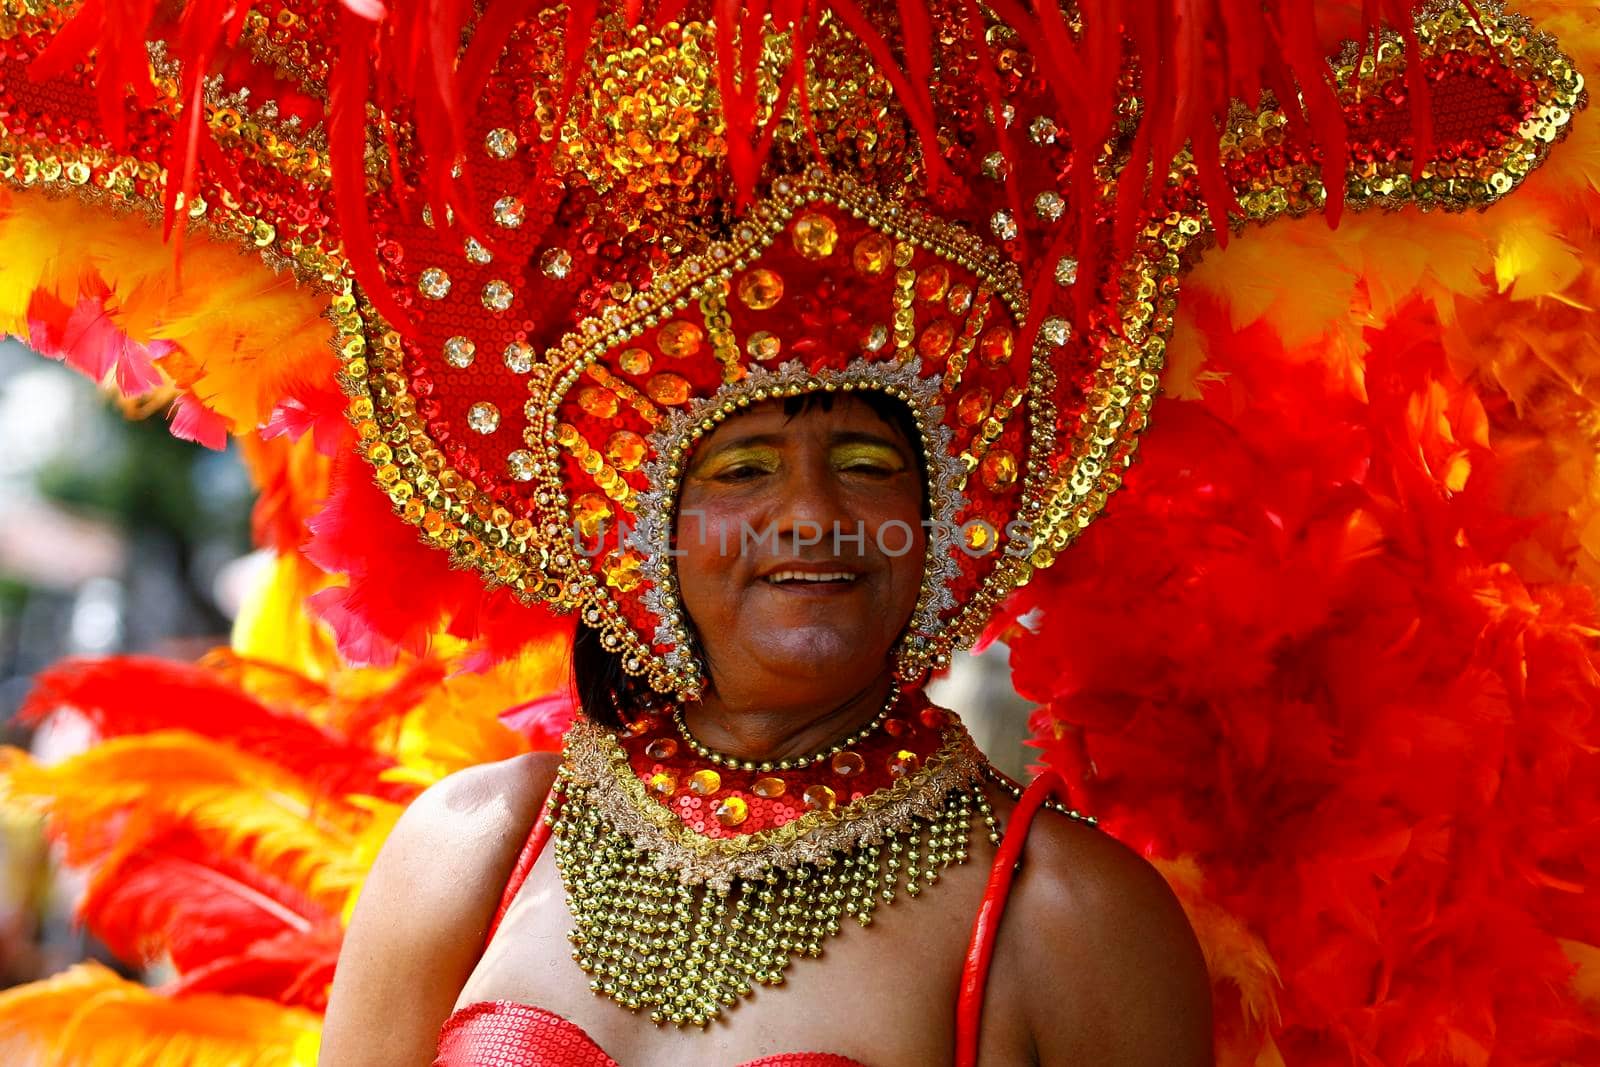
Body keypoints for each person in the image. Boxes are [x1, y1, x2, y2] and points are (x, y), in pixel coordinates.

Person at [319, 388, 1214, 1066]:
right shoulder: (472, 846)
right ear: (636, 524)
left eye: (867, 465)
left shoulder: (1065, 912)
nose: (814, 517)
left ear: (938, 522)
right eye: (744, 467)